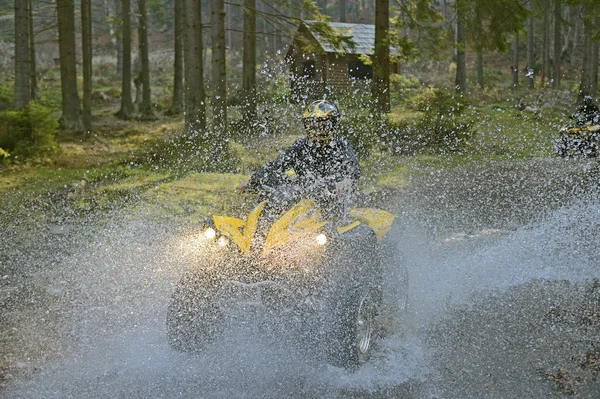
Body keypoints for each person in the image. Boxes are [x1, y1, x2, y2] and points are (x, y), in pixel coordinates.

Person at [237, 100, 360, 216]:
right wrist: (251, 181)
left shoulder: (342, 146)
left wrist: (347, 180)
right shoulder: (300, 147)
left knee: (330, 197)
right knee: (272, 181)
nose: (317, 129)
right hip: (301, 197)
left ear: (333, 124)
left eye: (322, 124)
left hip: (330, 202)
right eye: (312, 124)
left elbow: (353, 169)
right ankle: (261, 225)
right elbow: (273, 166)